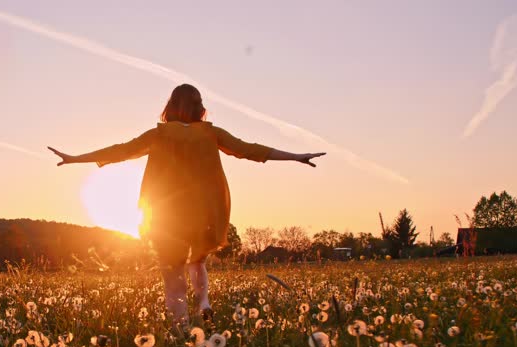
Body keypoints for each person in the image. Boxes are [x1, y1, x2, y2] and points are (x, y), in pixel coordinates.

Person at [49, 84, 325, 328]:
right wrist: (296, 156)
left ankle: (181, 330)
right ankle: (203, 302)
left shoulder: (158, 134)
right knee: (197, 260)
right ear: (200, 108)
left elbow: (120, 150)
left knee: (172, 274)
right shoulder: (211, 133)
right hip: (205, 211)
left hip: (166, 214)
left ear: (169, 107)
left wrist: (75, 158)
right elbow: (250, 149)